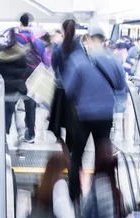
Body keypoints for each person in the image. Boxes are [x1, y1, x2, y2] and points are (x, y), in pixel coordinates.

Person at [62, 25, 126, 202]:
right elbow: (121, 86)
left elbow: (68, 90)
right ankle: (103, 194)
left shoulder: (78, 60)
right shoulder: (114, 60)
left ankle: (74, 195)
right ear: (104, 40)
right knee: (103, 155)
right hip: (106, 115)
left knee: (77, 156)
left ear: (88, 39)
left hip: (83, 116)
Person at [0, 28, 28, 137]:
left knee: (4, 115)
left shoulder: (0, 54)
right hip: (17, 90)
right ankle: (20, 134)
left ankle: (4, 137)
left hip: (3, 90)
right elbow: (25, 71)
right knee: (15, 111)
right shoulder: (22, 54)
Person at [15, 13, 48, 144]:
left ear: (20, 23)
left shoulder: (16, 39)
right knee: (30, 105)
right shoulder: (38, 41)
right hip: (33, 78)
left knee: (10, 105)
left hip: (17, 77)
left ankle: (12, 132)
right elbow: (45, 62)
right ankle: (30, 134)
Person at [50, 19, 82, 150]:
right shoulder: (80, 48)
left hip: (60, 89)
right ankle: (71, 153)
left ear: (63, 30)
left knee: (59, 122)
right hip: (76, 92)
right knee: (72, 125)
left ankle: (63, 147)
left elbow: (54, 66)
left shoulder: (58, 48)